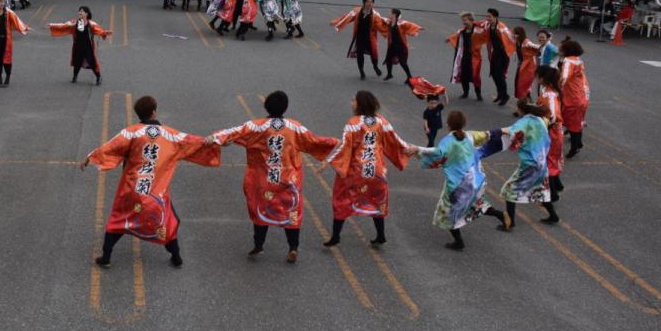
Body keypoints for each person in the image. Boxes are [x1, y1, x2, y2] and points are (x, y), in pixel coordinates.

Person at [80, 95, 221, 269]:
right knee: (166, 223)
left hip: (132, 190)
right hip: (156, 195)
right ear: (154, 111)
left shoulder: (131, 132)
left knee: (118, 221)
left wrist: (90, 157)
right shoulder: (171, 135)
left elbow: (110, 147)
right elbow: (195, 142)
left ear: (139, 114)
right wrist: (216, 141)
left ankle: (106, 257)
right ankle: (176, 257)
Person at [212, 91, 337, 262]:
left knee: (261, 210)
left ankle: (258, 245)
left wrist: (216, 138)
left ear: (266, 106)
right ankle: (293, 247)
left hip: (264, 180)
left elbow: (235, 132)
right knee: (292, 213)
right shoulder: (294, 127)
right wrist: (338, 142)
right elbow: (315, 141)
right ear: (285, 107)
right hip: (288, 180)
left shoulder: (257, 126)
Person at [321, 91, 414, 247]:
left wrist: (328, 160)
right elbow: (396, 140)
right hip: (377, 172)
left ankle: (335, 236)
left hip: (356, 172)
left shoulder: (354, 123)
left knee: (342, 199)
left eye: (353, 100)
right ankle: (381, 235)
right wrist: (413, 149)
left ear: (360, 104)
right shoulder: (382, 122)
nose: (351, 103)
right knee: (377, 201)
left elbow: (344, 144)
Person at [416, 110, 509, 250]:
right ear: (464, 123)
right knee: (476, 204)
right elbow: (489, 134)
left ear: (448, 124)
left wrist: (415, 149)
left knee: (448, 212)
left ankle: (458, 242)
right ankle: (500, 215)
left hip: (458, 186)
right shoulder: (470, 135)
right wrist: (505, 130)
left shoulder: (448, 142)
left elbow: (435, 154)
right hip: (474, 181)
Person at [496, 99, 560, 226]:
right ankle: (553, 215)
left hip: (530, 164)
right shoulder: (540, 120)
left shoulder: (523, 122)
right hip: (541, 163)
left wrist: (499, 132)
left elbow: (514, 135)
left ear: (521, 109)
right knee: (541, 190)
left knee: (510, 191)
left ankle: (510, 222)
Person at [49, 6, 112, 85]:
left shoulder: (91, 24)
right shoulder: (75, 22)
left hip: (88, 47)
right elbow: (64, 25)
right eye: (79, 11)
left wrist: (104, 33)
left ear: (86, 14)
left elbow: (98, 30)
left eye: (82, 11)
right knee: (77, 62)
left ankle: (98, 77)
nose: (80, 12)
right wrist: (52, 25)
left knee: (92, 62)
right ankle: (75, 77)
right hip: (77, 46)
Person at [330, 0, 386, 79]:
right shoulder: (357, 11)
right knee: (359, 54)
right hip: (360, 36)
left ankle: (375, 66)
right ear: (364, 2)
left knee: (374, 53)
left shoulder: (375, 15)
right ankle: (362, 72)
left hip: (370, 37)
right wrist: (336, 21)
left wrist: (390, 30)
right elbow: (347, 18)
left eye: (371, 2)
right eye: (367, 2)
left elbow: (381, 25)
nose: (369, 4)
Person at [537, 68, 566, 203]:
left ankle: (553, 194)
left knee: (549, 162)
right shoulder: (549, 92)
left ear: (544, 79)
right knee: (552, 160)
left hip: (552, 132)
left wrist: (543, 124)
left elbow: (553, 116)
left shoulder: (549, 95)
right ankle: (558, 185)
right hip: (552, 131)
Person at [559, 38, 590, 157]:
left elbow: (564, 77)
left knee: (573, 124)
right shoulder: (578, 60)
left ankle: (575, 147)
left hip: (573, 97)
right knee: (576, 121)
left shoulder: (568, 61)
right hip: (582, 94)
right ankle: (578, 142)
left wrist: (557, 88)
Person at [447, 11, 485, 100]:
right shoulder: (462, 31)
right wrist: (449, 38)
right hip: (464, 56)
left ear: (471, 20)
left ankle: (478, 94)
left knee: (475, 75)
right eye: (463, 20)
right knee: (464, 75)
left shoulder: (478, 30)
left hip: (474, 56)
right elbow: (456, 36)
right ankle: (465, 93)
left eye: (465, 20)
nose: (464, 22)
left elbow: (486, 34)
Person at [483, 8, 516, 105]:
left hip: (502, 54)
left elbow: (510, 36)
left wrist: (515, 44)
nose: (487, 18)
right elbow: (479, 24)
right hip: (495, 53)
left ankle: (505, 95)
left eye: (489, 16)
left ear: (495, 17)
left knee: (500, 75)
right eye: (487, 16)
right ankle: (500, 94)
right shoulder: (489, 25)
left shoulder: (501, 27)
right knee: (493, 74)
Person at [381, 7, 422, 82]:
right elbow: (382, 19)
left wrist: (418, 28)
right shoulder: (390, 22)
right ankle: (389, 74)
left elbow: (410, 24)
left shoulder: (400, 23)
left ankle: (409, 77)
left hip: (400, 46)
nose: (389, 14)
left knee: (403, 62)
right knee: (388, 59)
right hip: (392, 45)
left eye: (390, 13)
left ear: (394, 14)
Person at [512, 26, 540, 99]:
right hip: (522, 65)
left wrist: (546, 45)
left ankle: (525, 101)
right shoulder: (517, 42)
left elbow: (537, 47)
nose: (513, 35)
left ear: (519, 34)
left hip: (529, 66)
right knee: (518, 82)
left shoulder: (526, 42)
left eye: (514, 34)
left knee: (523, 83)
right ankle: (524, 100)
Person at [535, 29, 559, 94]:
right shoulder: (543, 46)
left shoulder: (550, 47)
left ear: (547, 38)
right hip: (544, 72)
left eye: (543, 37)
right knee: (542, 91)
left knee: (547, 92)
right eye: (539, 37)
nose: (540, 39)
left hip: (548, 74)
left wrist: (552, 65)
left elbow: (560, 54)